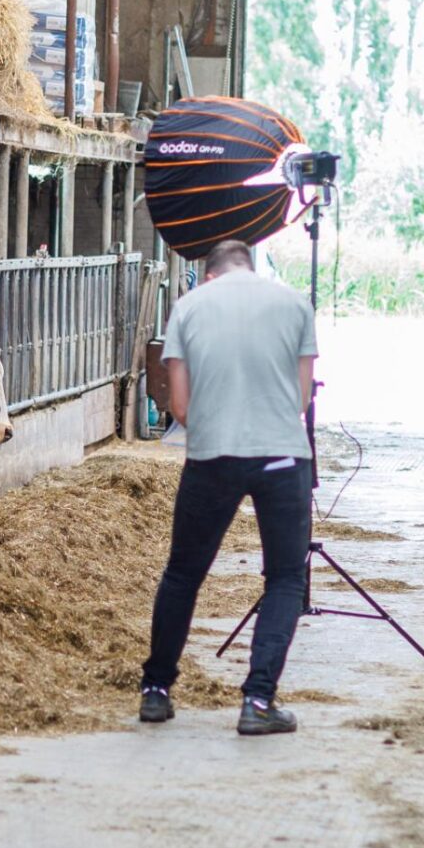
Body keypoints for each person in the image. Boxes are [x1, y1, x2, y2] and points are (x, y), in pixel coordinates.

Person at [137, 236, 320, 736]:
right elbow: (303, 397)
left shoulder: (189, 308)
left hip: (213, 453)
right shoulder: (294, 303)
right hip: (283, 453)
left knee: (183, 574)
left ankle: (156, 691)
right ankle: (259, 700)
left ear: (211, 274)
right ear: (250, 268)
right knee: (285, 577)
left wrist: (218, 426)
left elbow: (179, 409)